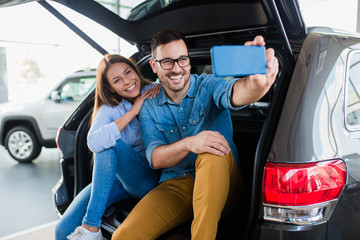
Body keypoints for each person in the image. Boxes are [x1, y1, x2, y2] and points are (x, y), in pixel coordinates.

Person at [112, 29, 279, 240]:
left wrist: (256, 85)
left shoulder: (208, 85)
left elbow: (237, 93)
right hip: (178, 185)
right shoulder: (150, 104)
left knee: (212, 147)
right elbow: (155, 159)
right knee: (123, 237)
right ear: (154, 65)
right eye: (167, 62)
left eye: (182, 60)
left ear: (189, 61)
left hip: (224, 185)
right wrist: (190, 143)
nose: (176, 69)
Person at [55, 54, 160, 240]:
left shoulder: (154, 91)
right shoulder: (110, 109)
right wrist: (134, 110)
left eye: (128, 72)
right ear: (109, 87)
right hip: (120, 181)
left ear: (136, 70)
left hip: (149, 177)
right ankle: (91, 229)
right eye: (117, 80)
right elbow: (94, 142)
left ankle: (90, 226)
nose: (128, 81)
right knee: (62, 231)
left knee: (110, 142)